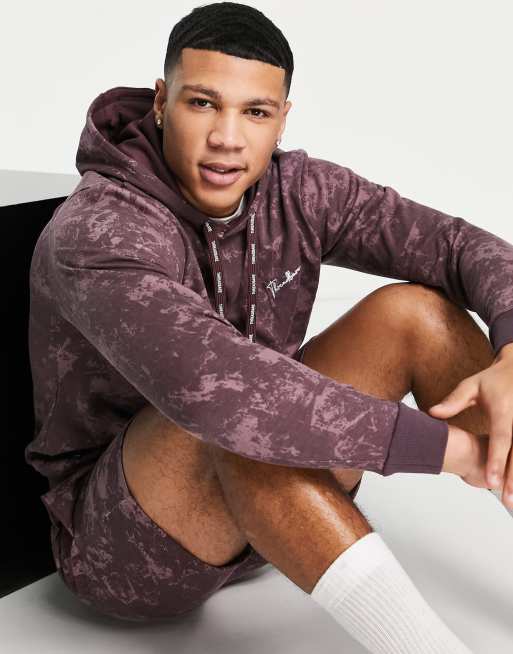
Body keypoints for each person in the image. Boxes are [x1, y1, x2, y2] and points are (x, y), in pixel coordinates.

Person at [26, 2, 513, 651]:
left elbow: (456, 245)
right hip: (129, 548)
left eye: (254, 112)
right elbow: (220, 394)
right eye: (203, 104)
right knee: (243, 412)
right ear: (163, 102)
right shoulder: (101, 229)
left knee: (415, 314)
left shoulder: (297, 189)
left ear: (282, 118)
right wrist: (452, 451)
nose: (227, 138)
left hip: (285, 511)